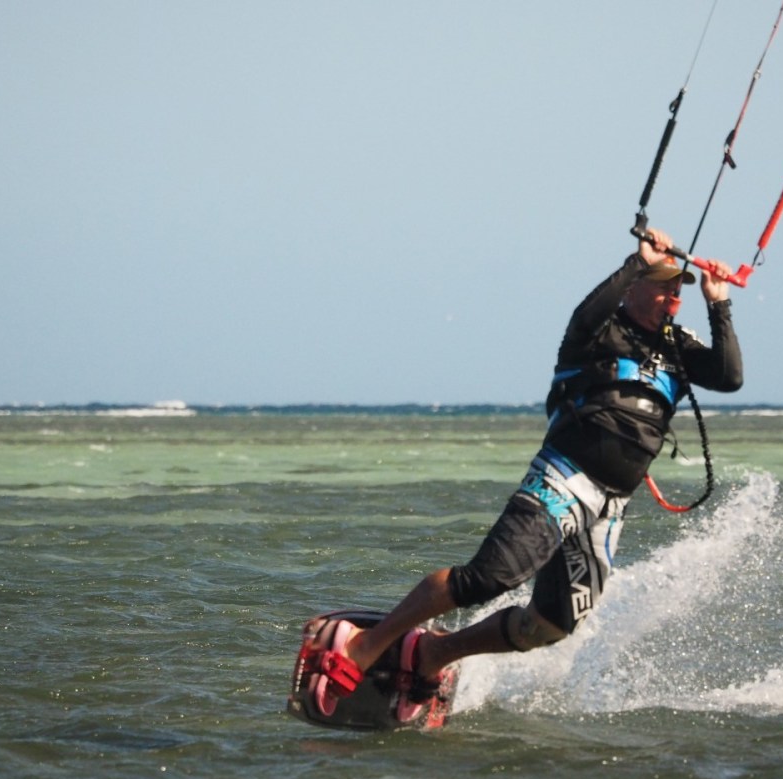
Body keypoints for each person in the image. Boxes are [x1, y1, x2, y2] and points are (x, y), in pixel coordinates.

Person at [305, 228, 744, 720]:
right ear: (635, 288)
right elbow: (589, 312)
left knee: (553, 623)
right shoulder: (598, 333)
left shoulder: (678, 347)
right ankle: (365, 645)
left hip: (609, 507)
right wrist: (636, 262)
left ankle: (432, 654)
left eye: (678, 290)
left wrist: (718, 303)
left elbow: (729, 377)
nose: (673, 298)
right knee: (486, 579)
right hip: (564, 478)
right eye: (663, 287)